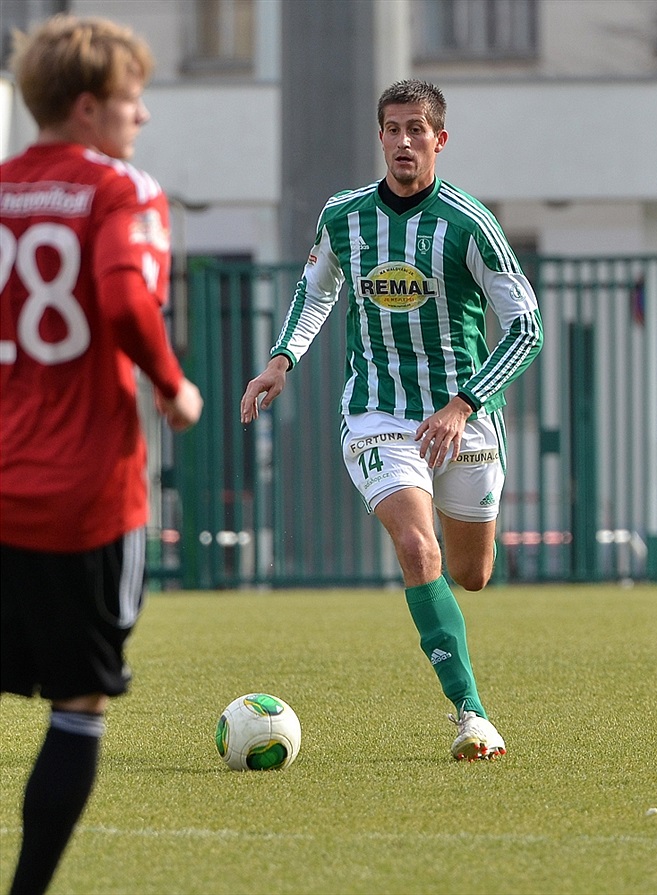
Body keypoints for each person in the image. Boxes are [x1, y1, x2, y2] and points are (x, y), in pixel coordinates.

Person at [241, 79, 543, 762]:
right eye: (392, 129)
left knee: (472, 572)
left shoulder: (469, 223)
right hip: (376, 412)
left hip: (462, 420)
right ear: (379, 136)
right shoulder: (343, 216)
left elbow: (527, 328)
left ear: (439, 139)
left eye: (417, 130)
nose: (403, 142)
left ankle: (460, 660)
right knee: (416, 547)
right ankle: (472, 714)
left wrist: (464, 402)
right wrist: (280, 361)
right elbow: (314, 290)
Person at [0, 14, 202, 894]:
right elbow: (123, 300)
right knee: (78, 706)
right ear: (88, 108)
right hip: (81, 496)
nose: (142, 117)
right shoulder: (121, 190)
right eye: (131, 100)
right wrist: (172, 382)